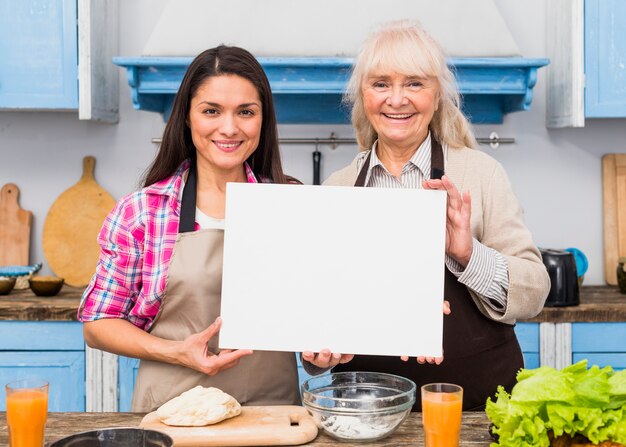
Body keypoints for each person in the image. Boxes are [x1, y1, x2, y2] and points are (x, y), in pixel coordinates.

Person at [302, 20, 550, 411]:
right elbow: (319, 313)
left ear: (437, 97)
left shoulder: (481, 175)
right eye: (381, 83)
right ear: (363, 96)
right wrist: (318, 351)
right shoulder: (337, 188)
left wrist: (469, 255)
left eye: (414, 83)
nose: (396, 99)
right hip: (369, 409)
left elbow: (535, 291)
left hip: (478, 407)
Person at [78, 45, 301, 412]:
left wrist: (321, 353)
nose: (229, 128)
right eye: (211, 111)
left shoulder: (291, 205)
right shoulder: (142, 212)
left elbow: (310, 315)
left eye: (246, 112)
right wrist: (176, 352)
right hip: (170, 415)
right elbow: (97, 323)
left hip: (272, 416)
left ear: (263, 120)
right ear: (187, 117)